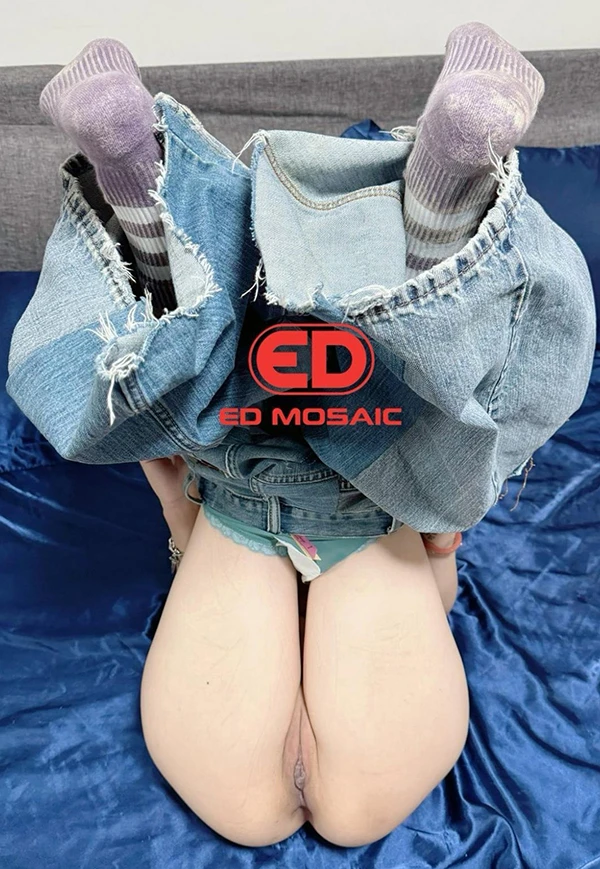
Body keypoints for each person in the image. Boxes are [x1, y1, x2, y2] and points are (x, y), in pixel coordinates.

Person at [15, 23, 560, 848]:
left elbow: (171, 477)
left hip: (253, 479)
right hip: (350, 487)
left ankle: (177, 246)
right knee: (319, 814)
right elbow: (443, 547)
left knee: (266, 814)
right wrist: (443, 511)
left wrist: (182, 493)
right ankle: (425, 244)